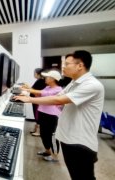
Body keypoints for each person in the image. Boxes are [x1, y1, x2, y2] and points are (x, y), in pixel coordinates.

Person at [14, 50, 105, 180]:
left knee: (83, 177)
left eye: (67, 64)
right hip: (68, 138)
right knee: (76, 176)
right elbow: (56, 96)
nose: (63, 67)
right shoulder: (74, 83)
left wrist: (29, 99)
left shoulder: (92, 85)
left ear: (80, 65)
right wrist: (29, 94)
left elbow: (59, 100)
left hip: (80, 142)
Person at [22, 70, 62, 161]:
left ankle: (54, 156)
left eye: (47, 77)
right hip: (43, 112)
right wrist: (29, 89)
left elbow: (41, 94)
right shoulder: (47, 87)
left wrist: (27, 90)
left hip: (51, 115)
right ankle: (47, 151)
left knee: (51, 136)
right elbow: (38, 95)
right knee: (44, 134)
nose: (45, 78)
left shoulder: (58, 90)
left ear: (53, 79)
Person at [23, 68, 46, 136]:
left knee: (37, 115)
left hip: (37, 101)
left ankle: (38, 131)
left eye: (34, 73)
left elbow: (34, 90)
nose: (34, 74)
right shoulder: (40, 81)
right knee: (37, 115)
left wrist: (27, 87)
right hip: (36, 100)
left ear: (37, 74)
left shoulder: (40, 81)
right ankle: (36, 129)